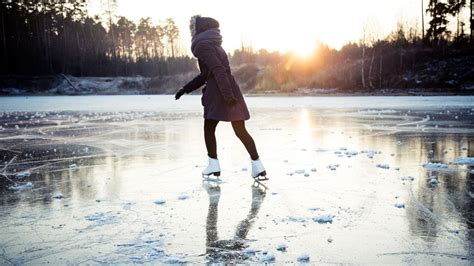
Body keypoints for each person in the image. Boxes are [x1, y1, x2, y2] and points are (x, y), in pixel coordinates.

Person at [175, 15, 266, 180]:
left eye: (193, 29)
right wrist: (185, 88)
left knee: (209, 129)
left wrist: (227, 96)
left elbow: (217, 70)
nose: (191, 32)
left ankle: (213, 166)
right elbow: (206, 74)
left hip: (219, 90)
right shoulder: (214, 45)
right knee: (240, 130)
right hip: (228, 87)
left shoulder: (203, 45)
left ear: (199, 29)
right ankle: (258, 166)